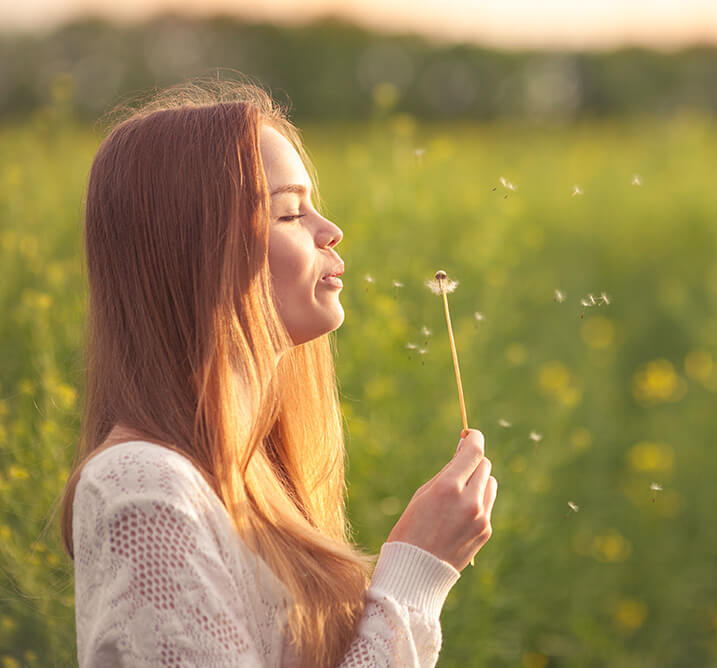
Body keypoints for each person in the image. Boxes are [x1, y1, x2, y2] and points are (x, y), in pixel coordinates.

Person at [59, 79, 497, 667]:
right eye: (290, 211)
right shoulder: (143, 489)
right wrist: (414, 574)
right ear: (201, 250)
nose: (330, 229)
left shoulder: (258, 477)